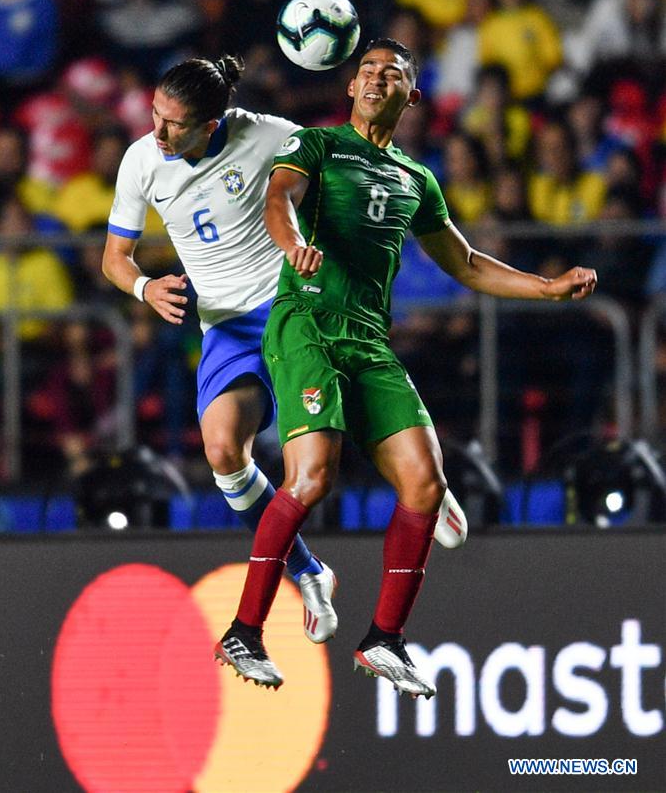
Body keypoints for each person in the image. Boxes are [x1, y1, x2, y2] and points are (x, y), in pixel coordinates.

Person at [214, 39, 597, 695]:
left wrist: (547, 285)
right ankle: (244, 630)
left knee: (424, 481)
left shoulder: (416, 179)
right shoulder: (318, 145)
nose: (373, 78)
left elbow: (468, 263)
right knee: (312, 477)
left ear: (410, 96)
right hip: (306, 321)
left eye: (389, 72)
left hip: (368, 339)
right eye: (364, 70)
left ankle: (384, 640)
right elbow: (279, 199)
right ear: (349, 88)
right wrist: (295, 244)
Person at [101, 56, 340, 642]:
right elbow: (114, 258)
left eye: (172, 124)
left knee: (318, 459)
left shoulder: (274, 137)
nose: (157, 133)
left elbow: (344, 184)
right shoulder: (141, 161)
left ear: (211, 125)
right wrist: (143, 286)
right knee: (222, 451)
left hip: (290, 309)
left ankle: (428, 490)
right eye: (154, 115)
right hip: (226, 327)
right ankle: (309, 571)